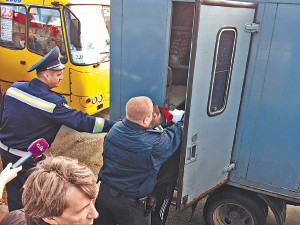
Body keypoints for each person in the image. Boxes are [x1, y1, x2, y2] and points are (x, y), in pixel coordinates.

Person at [0, 46, 115, 211]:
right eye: (58, 74)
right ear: (46, 75)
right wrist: (115, 125)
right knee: (35, 201)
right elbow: (85, 122)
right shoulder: (52, 103)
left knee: (14, 196)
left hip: (5, 152)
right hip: (28, 159)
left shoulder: (14, 89)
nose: (61, 78)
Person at [93, 96, 183, 225]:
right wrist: (182, 120)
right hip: (132, 205)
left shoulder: (114, 129)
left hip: (105, 194)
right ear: (147, 119)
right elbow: (173, 135)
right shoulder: (154, 143)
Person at [0, 156, 99, 225]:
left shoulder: (14, 218)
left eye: (91, 202)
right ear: (50, 218)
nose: (95, 214)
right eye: (81, 210)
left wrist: (2, 180)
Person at [151, 102, 184, 225]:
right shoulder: (146, 120)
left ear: (154, 115)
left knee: (158, 214)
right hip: (149, 179)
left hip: (165, 180)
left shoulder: (175, 121)